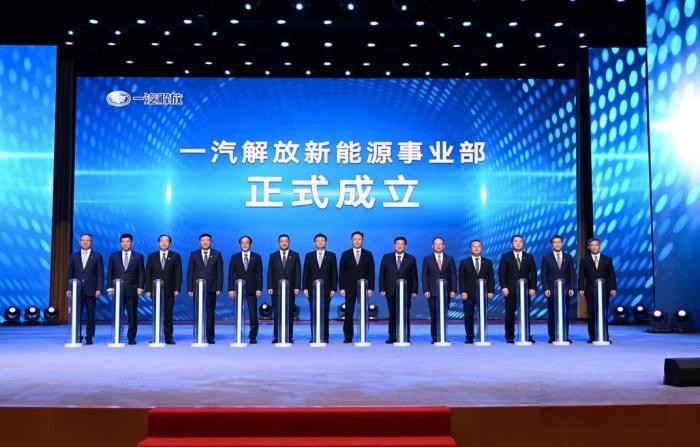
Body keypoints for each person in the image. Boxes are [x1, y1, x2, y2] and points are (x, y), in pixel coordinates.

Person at [106, 233, 145, 345]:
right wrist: (109, 287)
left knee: (132, 315)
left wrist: (140, 287)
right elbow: (110, 272)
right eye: (123, 241)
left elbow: (141, 273)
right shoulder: (114, 256)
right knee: (117, 314)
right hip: (117, 290)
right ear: (120, 243)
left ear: (132, 243)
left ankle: (131, 337)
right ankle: (117, 336)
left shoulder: (138, 256)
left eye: (127, 241)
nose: (125, 243)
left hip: (132, 290)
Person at [65, 233, 104, 345]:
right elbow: (69, 273)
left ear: (91, 242)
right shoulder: (74, 256)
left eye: (87, 240)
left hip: (91, 289)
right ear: (80, 242)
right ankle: (77, 335)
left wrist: (99, 288)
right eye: (83, 240)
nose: (85, 242)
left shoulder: (97, 256)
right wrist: (68, 288)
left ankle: (89, 336)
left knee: (90, 315)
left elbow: (100, 274)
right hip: (76, 290)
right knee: (76, 314)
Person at [498, 234, 537, 343]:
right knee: (510, 314)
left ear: (523, 243)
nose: (518, 243)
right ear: (512, 243)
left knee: (525, 314)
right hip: (510, 291)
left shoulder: (529, 256)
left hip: (525, 291)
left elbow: (533, 274)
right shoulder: (506, 256)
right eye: (516, 241)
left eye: (520, 241)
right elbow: (502, 273)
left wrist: (533, 287)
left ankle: (526, 334)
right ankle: (509, 335)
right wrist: (504, 287)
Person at [379, 236, 418, 343]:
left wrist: (415, 290)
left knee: (405, 313)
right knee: (392, 314)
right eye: (397, 244)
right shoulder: (386, 257)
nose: (399, 246)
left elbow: (414, 276)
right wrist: (382, 288)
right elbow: (382, 274)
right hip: (390, 290)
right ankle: (392, 336)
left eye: (402, 244)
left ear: (405, 246)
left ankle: (406, 336)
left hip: (406, 291)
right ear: (394, 245)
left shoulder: (411, 258)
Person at [144, 234, 182, 345]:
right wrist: (148, 289)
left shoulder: (175, 256)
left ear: (170, 243)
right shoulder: (152, 256)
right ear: (158, 243)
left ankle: (168, 337)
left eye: (166, 241)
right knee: (157, 314)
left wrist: (177, 288)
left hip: (170, 290)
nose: (164, 243)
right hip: (155, 290)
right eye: (161, 241)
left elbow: (178, 273)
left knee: (168, 315)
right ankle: (156, 336)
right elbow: (148, 273)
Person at [338, 231, 375, 343]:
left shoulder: (368, 254)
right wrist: (342, 287)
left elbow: (371, 272)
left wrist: (370, 288)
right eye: (355, 239)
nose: (357, 241)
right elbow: (342, 272)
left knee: (363, 312)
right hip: (349, 288)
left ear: (363, 240)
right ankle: (348, 336)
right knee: (349, 312)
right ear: (351, 241)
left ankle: (363, 335)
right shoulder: (346, 254)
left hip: (364, 288)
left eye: (359, 239)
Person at [578, 237, 617, 343]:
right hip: (590, 291)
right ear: (589, 247)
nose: (594, 247)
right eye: (592, 245)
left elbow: (612, 275)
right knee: (592, 313)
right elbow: (581, 275)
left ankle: (605, 335)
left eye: (596, 245)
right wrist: (581, 288)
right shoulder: (584, 260)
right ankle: (592, 336)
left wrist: (613, 287)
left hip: (604, 290)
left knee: (603, 313)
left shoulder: (607, 259)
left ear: (599, 246)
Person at [187, 233, 223, 344]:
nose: (205, 242)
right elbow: (190, 272)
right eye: (203, 240)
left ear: (211, 242)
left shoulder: (217, 254)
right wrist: (190, 288)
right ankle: (198, 335)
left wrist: (219, 287)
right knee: (198, 312)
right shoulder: (194, 254)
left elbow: (220, 272)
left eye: (207, 240)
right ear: (199, 242)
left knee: (210, 313)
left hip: (211, 288)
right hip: (197, 288)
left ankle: (210, 336)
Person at [302, 233, 338, 343]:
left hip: (327, 290)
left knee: (324, 313)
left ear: (326, 243)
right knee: (314, 313)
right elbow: (305, 272)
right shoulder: (309, 255)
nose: (320, 242)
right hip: (311, 290)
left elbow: (334, 273)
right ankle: (314, 336)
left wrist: (333, 288)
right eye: (318, 241)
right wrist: (305, 288)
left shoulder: (331, 255)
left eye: (322, 240)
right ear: (314, 243)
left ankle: (325, 336)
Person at [228, 235, 263, 344]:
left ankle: (253, 336)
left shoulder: (257, 257)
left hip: (252, 289)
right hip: (237, 289)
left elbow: (259, 275)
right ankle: (238, 335)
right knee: (238, 313)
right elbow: (231, 274)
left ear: (250, 244)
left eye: (246, 242)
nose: (244, 244)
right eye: (242, 242)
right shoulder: (235, 257)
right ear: (240, 245)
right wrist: (230, 289)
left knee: (253, 314)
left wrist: (259, 288)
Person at [458, 239, 495, 343]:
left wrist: (491, 291)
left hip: (483, 294)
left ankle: (481, 336)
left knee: (482, 315)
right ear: (470, 249)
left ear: (482, 248)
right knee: (468, 316)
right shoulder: (464, 262)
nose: (476, 248)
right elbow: (461, 278)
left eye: (479, 246)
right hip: (468, 294)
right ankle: (469, 337)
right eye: (474, 246)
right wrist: (463, 291)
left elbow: (491, 278)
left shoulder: (487, 262)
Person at [421, 236, 457, 343]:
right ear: (432, 246)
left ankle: (443, 335)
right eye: (436, 244)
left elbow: (453, 275)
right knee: (434, 314)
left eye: (440, 244)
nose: (438, 245)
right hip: (432, 292)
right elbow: (424, 275)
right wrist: (426, 290)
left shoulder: (450, 259)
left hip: (446, 292)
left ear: (444, 246)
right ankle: (435, 337)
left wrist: (453, 290)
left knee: (443, 314)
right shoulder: (427, 259)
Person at [541, 234, 576, 343]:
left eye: (559, 242)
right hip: (552, 291)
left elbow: (572, 274)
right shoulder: (546, 257)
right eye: (555, 242)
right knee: (552, 313)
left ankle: (565, 335)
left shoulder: (568, 257)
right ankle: (552, 336)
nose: (557, 244)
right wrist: (546, 288)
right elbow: (543, 275)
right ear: (551, 244)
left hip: (565, 290)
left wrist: (571, 288)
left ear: (562, 243)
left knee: (565, 313)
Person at [267, 234, 301, 343]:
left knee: (289, 313)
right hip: (276, 290)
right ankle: (277, 337)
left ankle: (289, 337)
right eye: (282, 241)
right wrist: (269, 286)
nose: (284, 243)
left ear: (289, 242)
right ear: (279, 243)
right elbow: (270, 272)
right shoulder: (273, 256)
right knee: (277, 313)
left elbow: (298, 272)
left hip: (290, 290)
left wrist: (297, 287)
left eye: (286, 241)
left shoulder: (295, 255)